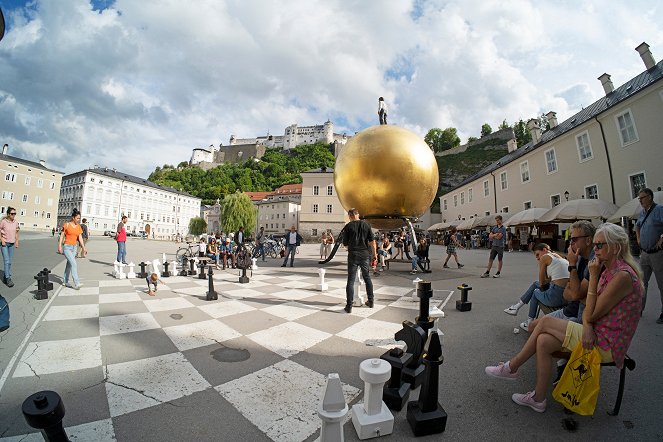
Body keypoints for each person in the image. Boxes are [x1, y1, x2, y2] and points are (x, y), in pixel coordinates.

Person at [485, 223, 643, 413]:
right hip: (595, 331)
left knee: (544, 322)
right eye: (595, 244)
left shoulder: (621, 276)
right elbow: (580, 302)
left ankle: (512, 367)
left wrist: (592, 279)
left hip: (607, 344)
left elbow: (589, 312)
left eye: (600, 245)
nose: (595, 249)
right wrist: (587, 321)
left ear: (616, 247)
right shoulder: (609, 269)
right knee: (543, 341)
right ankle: (538, 398)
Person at [503, 243, 570, 331]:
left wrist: (542, 266)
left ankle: (529, 322)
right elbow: (550, 281)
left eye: (538, 254)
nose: (537, 258)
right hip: (567, 297)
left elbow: (542, 284)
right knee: (535, 283)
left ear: (545, 249)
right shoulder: (560, 258)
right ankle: (516, 307)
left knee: (535, 291)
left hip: (556, 297)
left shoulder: (545, 257)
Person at [634, 187, 663, 323]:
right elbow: (637, 226)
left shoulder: (659, 210)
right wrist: (639, 239)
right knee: (641, 282)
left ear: (650, 197)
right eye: (639, 198)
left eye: (642, 198)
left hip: (657, 254)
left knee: (661, 283)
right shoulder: (642, 212)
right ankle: (639, 308)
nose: (640, 201)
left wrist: (662, 237)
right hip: (645, 254)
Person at [342, 208, 377, 313]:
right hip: (364, 255)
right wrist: (375, 255)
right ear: (358, 214)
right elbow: (372, 242)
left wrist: (351, 247)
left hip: (353, 255)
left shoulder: (348, 226)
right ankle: (370, 301)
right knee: (367, 278)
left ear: (350, 215)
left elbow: (345, 243)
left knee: (351, 280)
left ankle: (349, 306)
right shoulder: (366, 225)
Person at [58, 209, 87, 290]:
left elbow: (80, 237)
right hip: (67, 247)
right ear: (73, 218)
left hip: (74, 248)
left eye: (79, 218)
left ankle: (65, 281)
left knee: (69, 265)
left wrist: (84, 248)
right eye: (77, 218)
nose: (78, 220)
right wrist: (60, 246)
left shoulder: (78, 227)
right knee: (74, 264)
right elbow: (62, 236)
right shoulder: (66, 225)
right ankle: (77, 283)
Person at [1, 207, 19, 287]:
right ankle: (8, 278)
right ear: (8, 214)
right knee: (7, 261)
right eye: (12, 213)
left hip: (11, 243)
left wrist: (17, 241)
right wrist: (2, 239)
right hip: (4, 243)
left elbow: (16, 232)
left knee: (9, 262)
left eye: (14, 213)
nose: (13, 215)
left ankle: (5, 276)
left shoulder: (15, 222)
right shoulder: (3, 222)